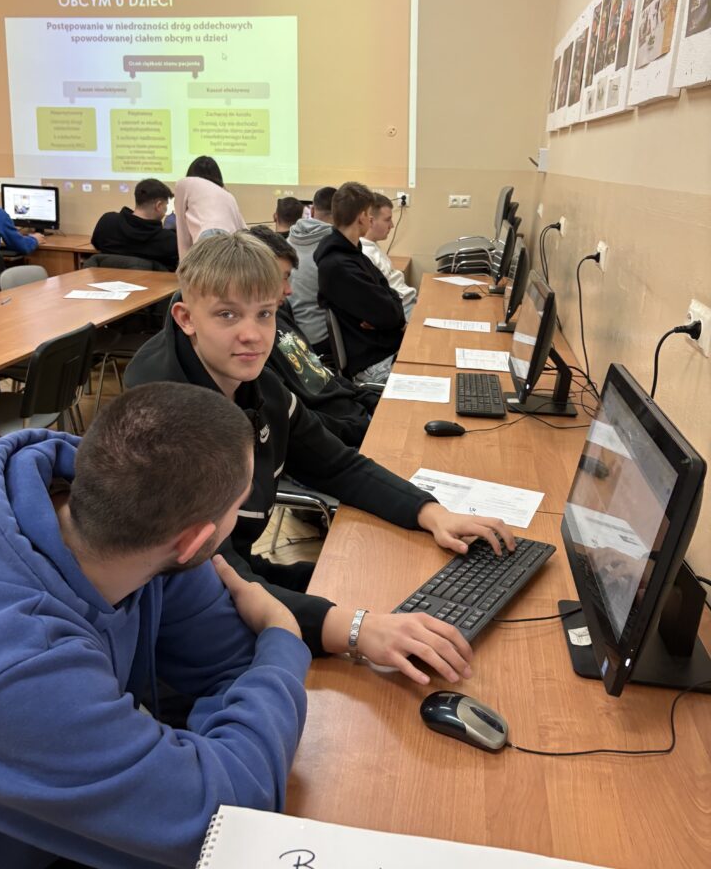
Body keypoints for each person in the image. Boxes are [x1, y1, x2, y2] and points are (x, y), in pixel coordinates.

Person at [0, 383, 309, 869]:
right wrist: (283, 640)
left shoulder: (128, 519)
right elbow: (227, 820)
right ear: (196, 541)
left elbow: (231, 664)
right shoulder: (10, 664)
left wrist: (222, 748)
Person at [125, 231, 513, 684]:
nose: (252, 334)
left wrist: (432, 512)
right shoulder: (164, 423)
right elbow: (215, 578)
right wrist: (356, 630)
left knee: (380, 588)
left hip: (242, 576)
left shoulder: (257, 384)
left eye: (265, 313)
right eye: (227, 314)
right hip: (182, 626)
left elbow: (337, 465)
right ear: (186, 318)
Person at [248, 225, 378, 447]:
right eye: (283, 278)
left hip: (356, 418)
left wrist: (370, 401)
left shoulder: (281, 312)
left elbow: (319, 371)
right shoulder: (253, 347)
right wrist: (362, 428)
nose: (289, 290)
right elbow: (299, 421)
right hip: (341, 439)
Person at [314, 182, 406, 385]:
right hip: (373, 362)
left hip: (384, 349)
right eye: (369, 214)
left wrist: (389, 309)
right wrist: (390, 310)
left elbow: (391, 297)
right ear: (362, 217)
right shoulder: (339, 266)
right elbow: (392, 313)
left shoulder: (354, 254)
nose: (371, 220)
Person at [91, 176, 179, 270]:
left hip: (107, 278)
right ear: (159, 205)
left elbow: (96, 245)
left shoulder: (107, 222)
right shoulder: (169, 240)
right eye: (166, 205)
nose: (166, 210)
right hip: (149, 280)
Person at [287, 185, 336, 352]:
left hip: (290, 335)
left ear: (312, 210)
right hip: (321, 337)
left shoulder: (288, 241)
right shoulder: (335, 248)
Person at [173, 155, 246, 259]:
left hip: (208, 235)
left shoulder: (184, 183)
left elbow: (182, 229)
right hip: (232, 241)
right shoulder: (228, 195)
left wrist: (184, 264)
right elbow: (242, 228)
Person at [361, 192, 417, 320]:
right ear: (370, 221)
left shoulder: (372, 246)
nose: (392, 225)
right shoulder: (365, 254)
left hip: (407, 302)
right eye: (387, 220)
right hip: (402, 310)